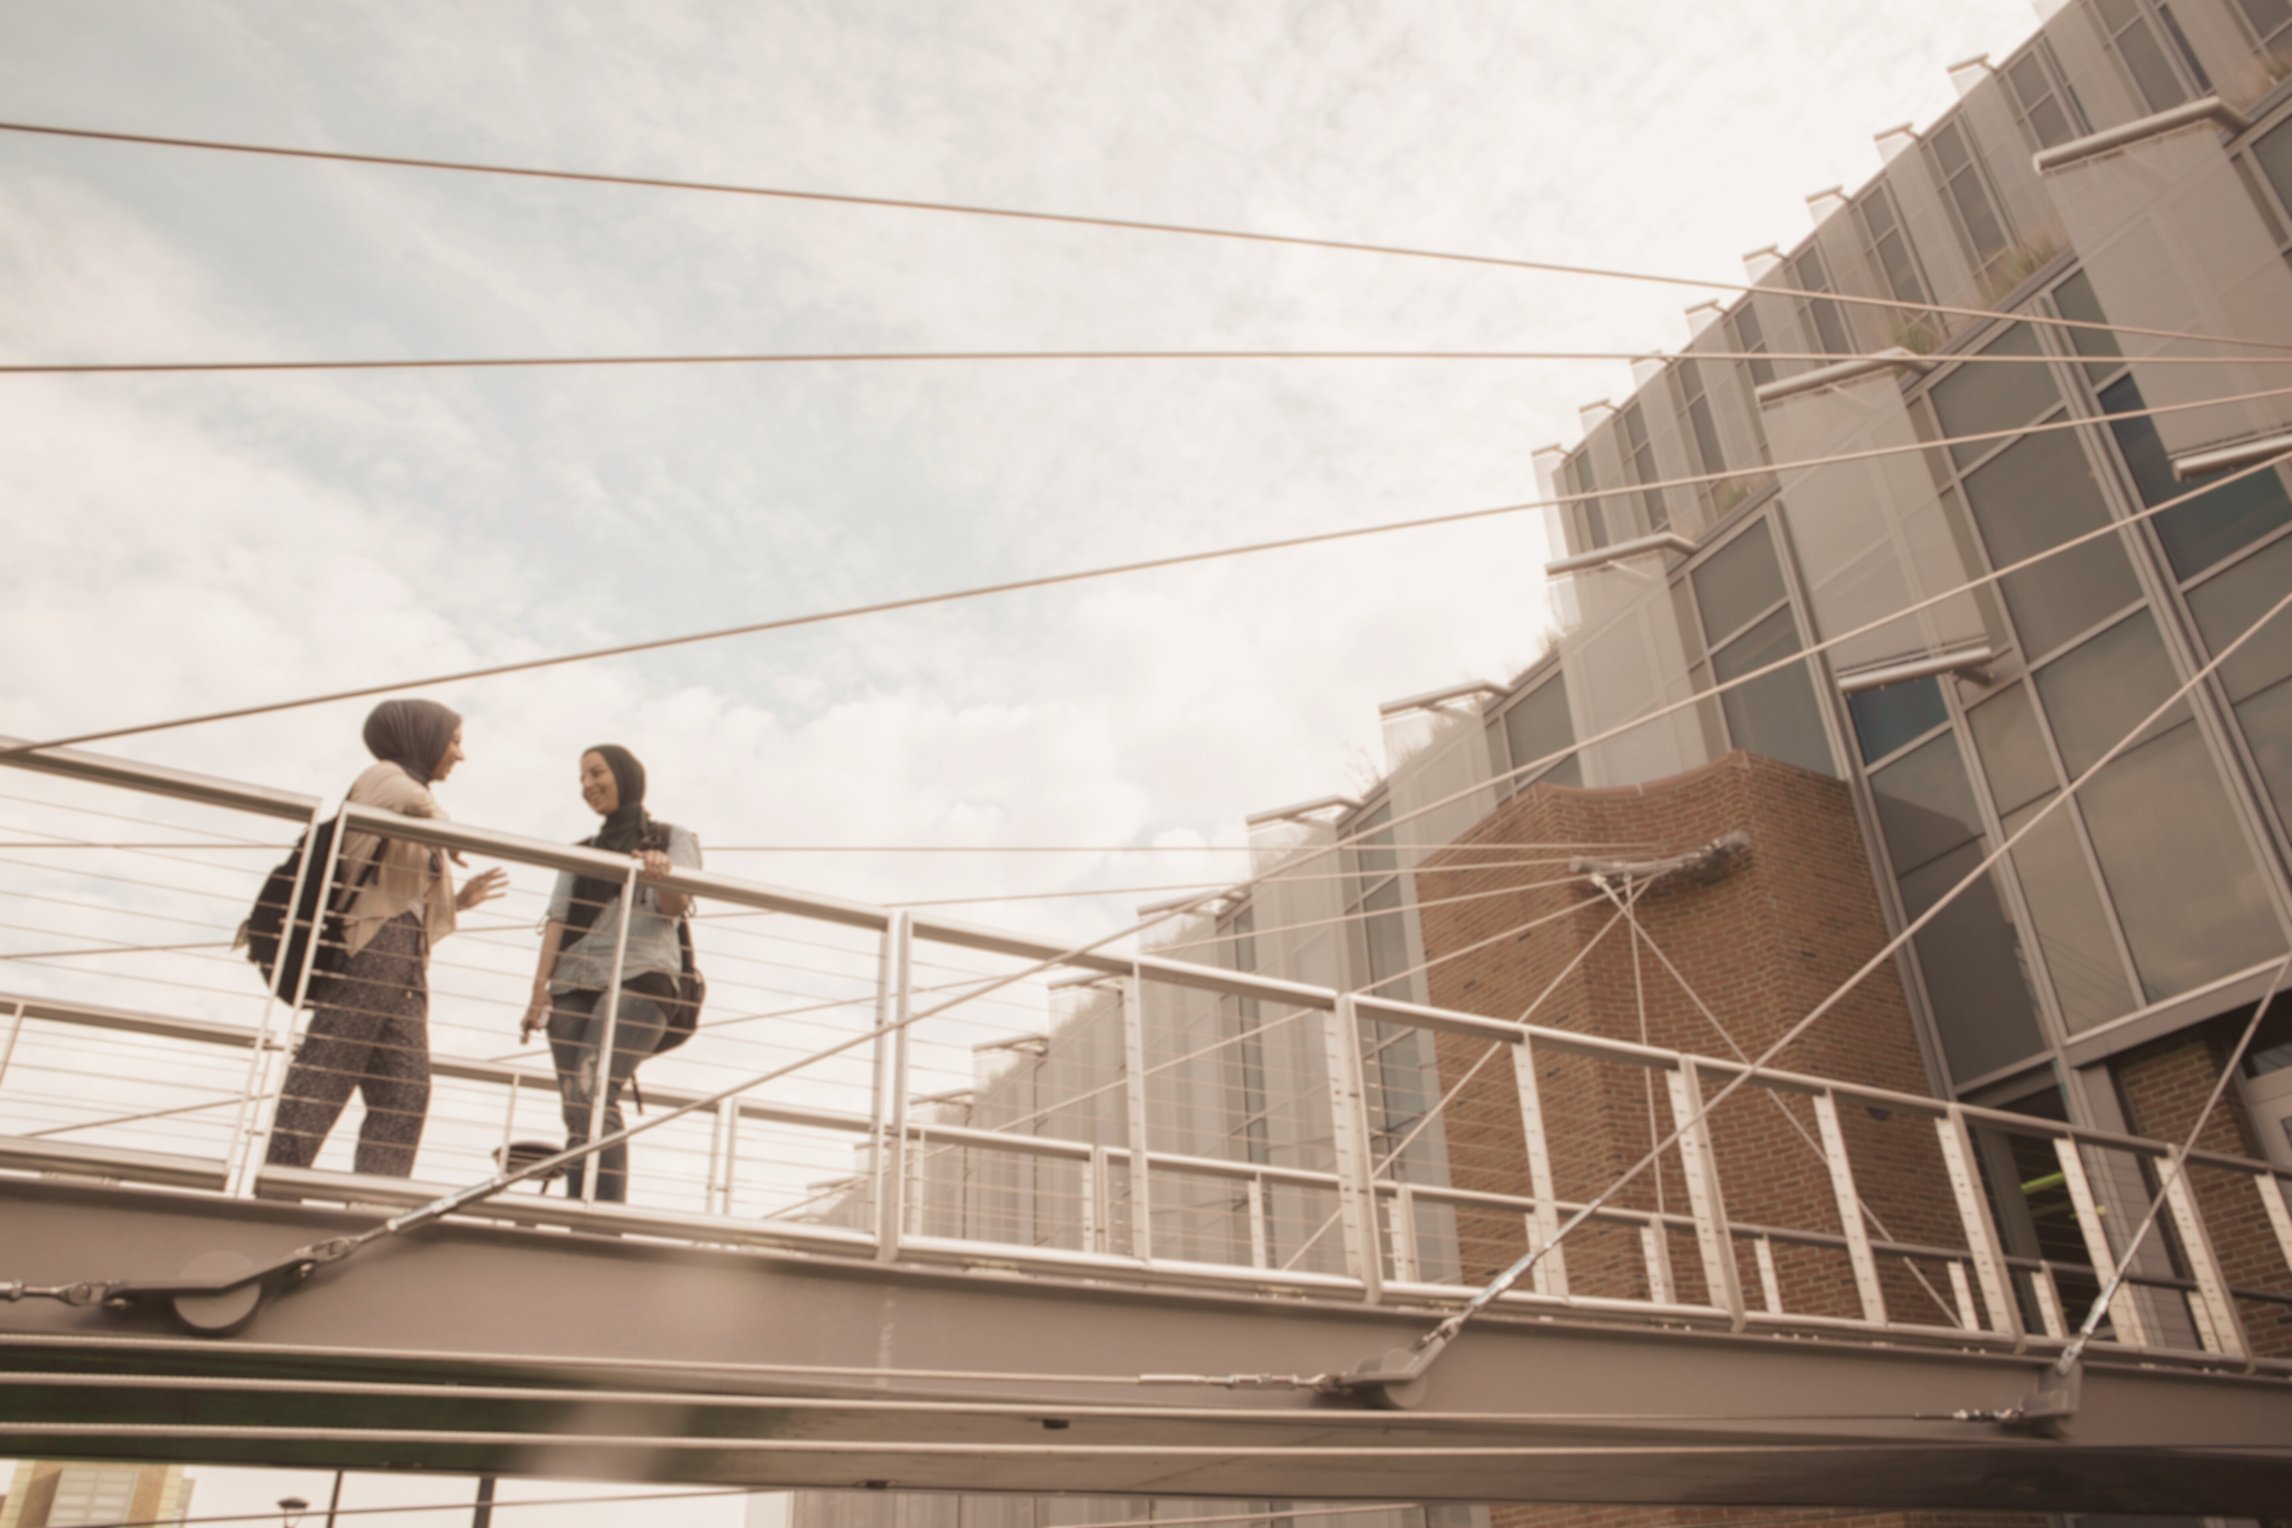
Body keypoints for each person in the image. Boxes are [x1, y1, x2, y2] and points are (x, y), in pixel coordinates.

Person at [266, 698, 506, 1176]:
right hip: (372, 949)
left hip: (406, 958)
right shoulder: (385, 779)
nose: (460, 755)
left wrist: (457, 903)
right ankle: (274, 1185)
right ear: (423, 736)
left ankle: (374, 1201)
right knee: (328, 1068)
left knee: (404, 1091)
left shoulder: (410, 801)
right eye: (454, 741)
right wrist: (450, 835)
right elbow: (415, 805)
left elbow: (406, 896)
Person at [520, 744, 701, 1202]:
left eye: (596, 773)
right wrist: (538, 990)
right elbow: (558, 920)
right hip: (573, 982)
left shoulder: (672, 837)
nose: (587, 786)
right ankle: (581, 1218)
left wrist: (664, 875)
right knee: (577, 1107)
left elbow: (674, 907)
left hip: (642, 975)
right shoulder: (581, 852)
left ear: (625, 775)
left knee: (594, 1090)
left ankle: (601, 1226)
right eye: (581, 778)